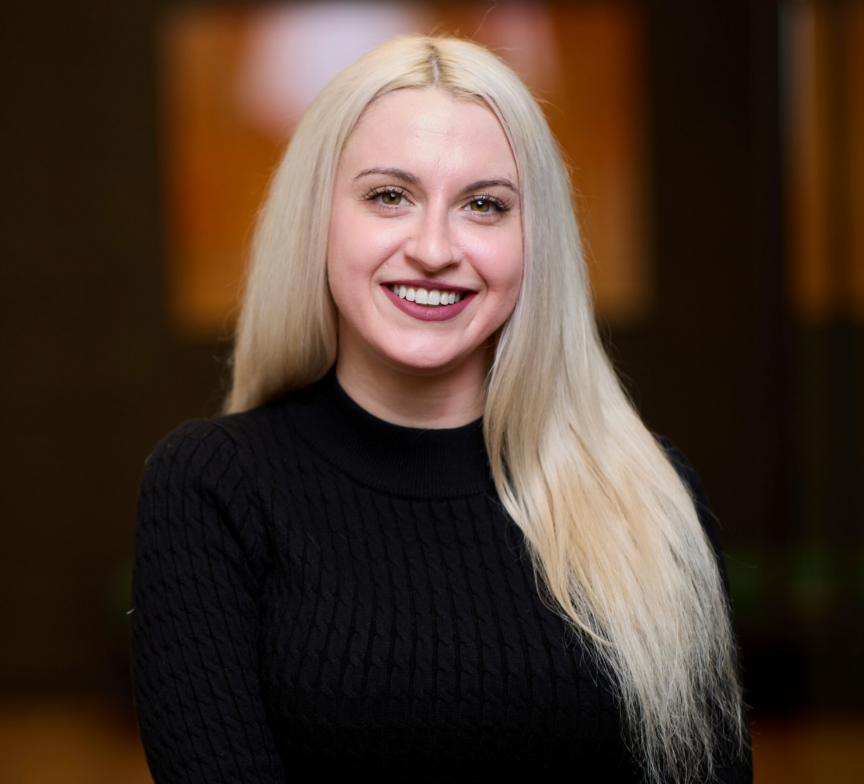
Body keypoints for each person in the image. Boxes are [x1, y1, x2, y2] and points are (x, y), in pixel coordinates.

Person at [131, 35, 751, 783]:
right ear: (319, 219)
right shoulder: (213, 489)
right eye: (389, 196)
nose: (433, 248)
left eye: (484, 205)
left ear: (533, 242)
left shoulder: (648, 496)